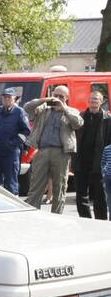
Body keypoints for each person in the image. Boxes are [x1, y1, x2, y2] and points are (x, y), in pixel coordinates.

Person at [24, 86, 84, 214]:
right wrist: (45, 99)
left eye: (61, 97)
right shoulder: (43, 109)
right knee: (36, 187)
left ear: (67, 98)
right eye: (55, 95)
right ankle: (31, 216)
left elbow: (78, 123)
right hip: (42, 151)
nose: (57, 99)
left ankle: (57, 217)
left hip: (61, 153)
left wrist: (64, 109)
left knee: (59, 187)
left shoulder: (71, 111)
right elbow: (27, 107)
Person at [72, 90, 111, 219]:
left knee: (100, 196)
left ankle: (101, 222)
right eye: (92, 99)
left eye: (96, 99)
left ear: (101, 102)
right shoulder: (81, 116)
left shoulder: (108, 119)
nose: (94, 101)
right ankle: (85, 220)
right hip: (81, 162)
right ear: (88, 101)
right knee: (81, 196)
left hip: (99, 163)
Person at [0, 88, 31, 195]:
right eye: (4, 97)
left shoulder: (19, 112)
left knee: (11, 181)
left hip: (11, 153)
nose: (6, 99)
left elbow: (26, 132)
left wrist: (13, 143)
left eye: (9, 97)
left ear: (14, 99)